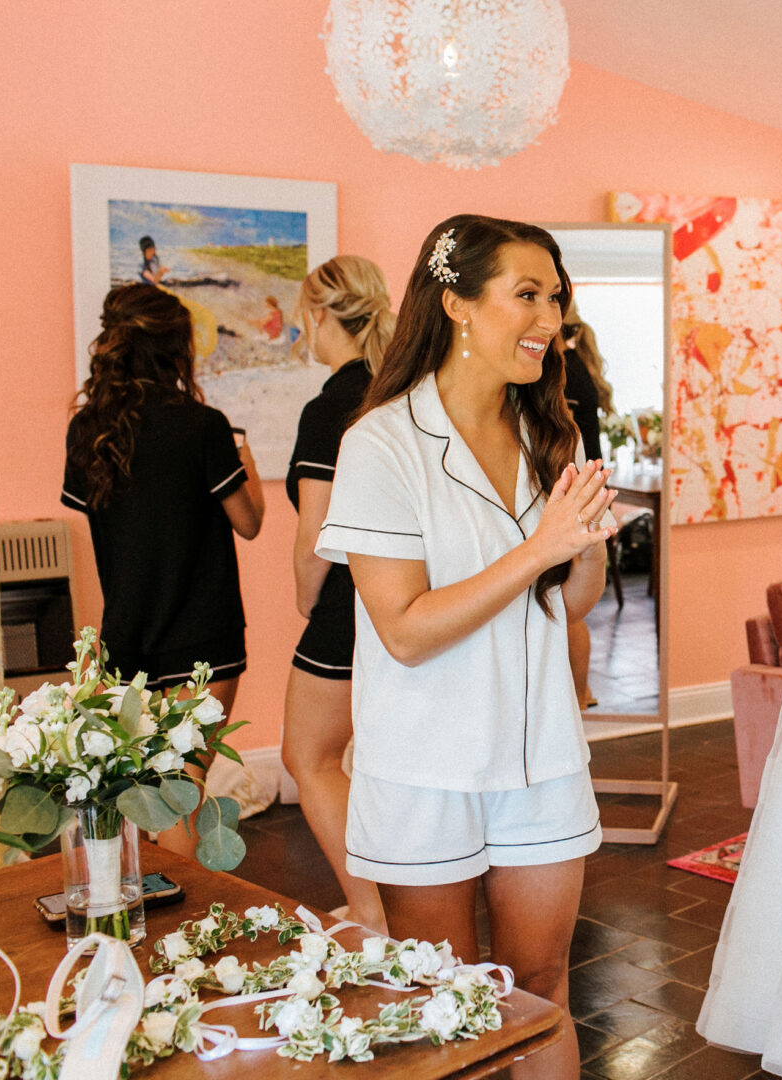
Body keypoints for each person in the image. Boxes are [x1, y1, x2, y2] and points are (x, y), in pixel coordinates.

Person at [316, 214, 617, 1080]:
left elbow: (572, 602)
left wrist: (584, 544)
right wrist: (540, 547)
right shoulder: (380, 445)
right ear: (455, 304)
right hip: (424, 767)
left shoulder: (550, 432)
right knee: (449, 1000)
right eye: (526, 295)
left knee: (539, 985)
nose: (549, 320)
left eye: (555, 298)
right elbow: (404, 631)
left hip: (540, 761)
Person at [62, 283, 265, 856]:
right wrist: (245, 464)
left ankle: (154, 905)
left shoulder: (89, 431)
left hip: (128, 631)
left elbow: (97, 527)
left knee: (147, 788)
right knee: (183, 785)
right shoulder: (203, 426)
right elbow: (248, 522)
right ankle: (185, 923)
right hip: (206, 632)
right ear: (178, 349)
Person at [280, 255, 396, 934]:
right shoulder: (406, 393)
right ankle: (391, 899)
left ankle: (371, 907)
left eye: (305, 321)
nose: (306, 334)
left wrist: (304, 599)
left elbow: (314, 535)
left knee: (309, 757)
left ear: (323, 317)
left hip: (348, 605)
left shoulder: (331, 407)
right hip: (408, 602)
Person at [560, 309, 615, 708]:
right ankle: (581, 693)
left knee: (569, 612)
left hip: (578, 481)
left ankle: (579, 694)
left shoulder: (562, 369)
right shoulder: (575, 364)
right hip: (586, 478)